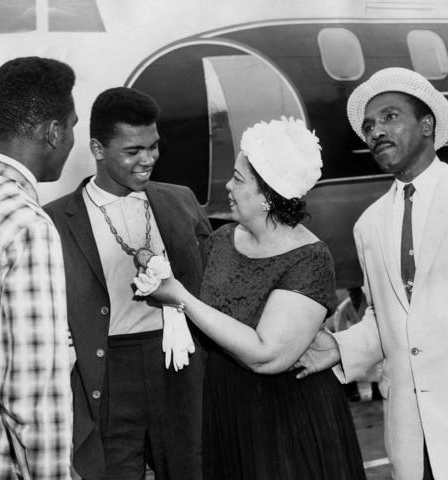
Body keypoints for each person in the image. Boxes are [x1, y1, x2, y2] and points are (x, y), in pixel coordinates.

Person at [141, 116, 366, 479]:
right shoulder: (222, 240)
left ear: (266, 197)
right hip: (227, 407)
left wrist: (180, 298)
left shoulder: (309, 258)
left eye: (239, 179)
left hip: (288, 419)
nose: (227, 185)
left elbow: (267, 355)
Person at [44, 87, 212, 480]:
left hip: (182, 369)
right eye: (133, 151)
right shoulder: (54, 220)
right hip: (108, 375)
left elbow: (210, 285)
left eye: (154, 147)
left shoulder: (181, 200)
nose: (148, 160)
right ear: (98, 149)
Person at [294, 67, 448, 480]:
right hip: (413, 434)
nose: (376, 131)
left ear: (428, 124)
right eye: (369, 126)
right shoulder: (369, 224)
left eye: (390, 117)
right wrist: (338, 348)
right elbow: (385, 317)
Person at [0, 57, 77, 479]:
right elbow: (32, 399)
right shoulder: (25, 224)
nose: (73, 137)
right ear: (54, 132)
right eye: (73, 125)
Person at [333, 287, 382, 401]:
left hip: (369, 335)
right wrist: (344, 342)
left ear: (361, 293)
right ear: (350, 294)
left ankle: (376, 390)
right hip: (353, 337)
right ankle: (352, 392)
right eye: (353, 294)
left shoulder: (370, 303)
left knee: (374, 365)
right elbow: (339, 326)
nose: (355, 297)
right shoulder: (344, 307)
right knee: (349, 363)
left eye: (357, 294)